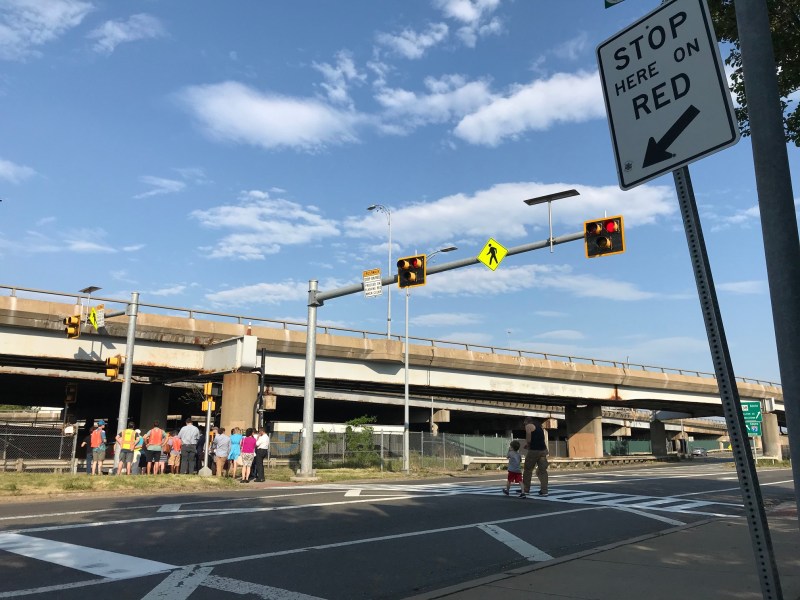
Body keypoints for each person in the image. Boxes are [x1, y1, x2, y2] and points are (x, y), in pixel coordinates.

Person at [521, 417, 549, 497]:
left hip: (534, 451)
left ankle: (526, 489)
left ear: (527, 421)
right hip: (543, 450)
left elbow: (529, 439)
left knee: (528, 470)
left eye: (524, 423)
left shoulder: (528, 426)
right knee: (542, 471)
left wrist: (528, 445)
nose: (524, 425)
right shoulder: (539, 427)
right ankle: (544, 491)